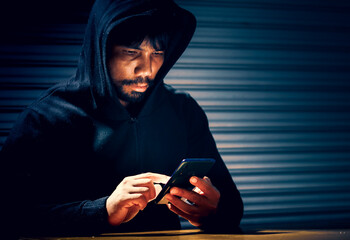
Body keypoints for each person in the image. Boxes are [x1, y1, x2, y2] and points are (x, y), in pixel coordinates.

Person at [1, 0, 243, 237]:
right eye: (131, 52)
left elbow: (233, 207)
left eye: (157, 53)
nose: (147, 69)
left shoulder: (183, 109)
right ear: (102, 48)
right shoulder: (46, 117)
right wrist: (103, 210)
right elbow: (11, 215)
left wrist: (213, 211)